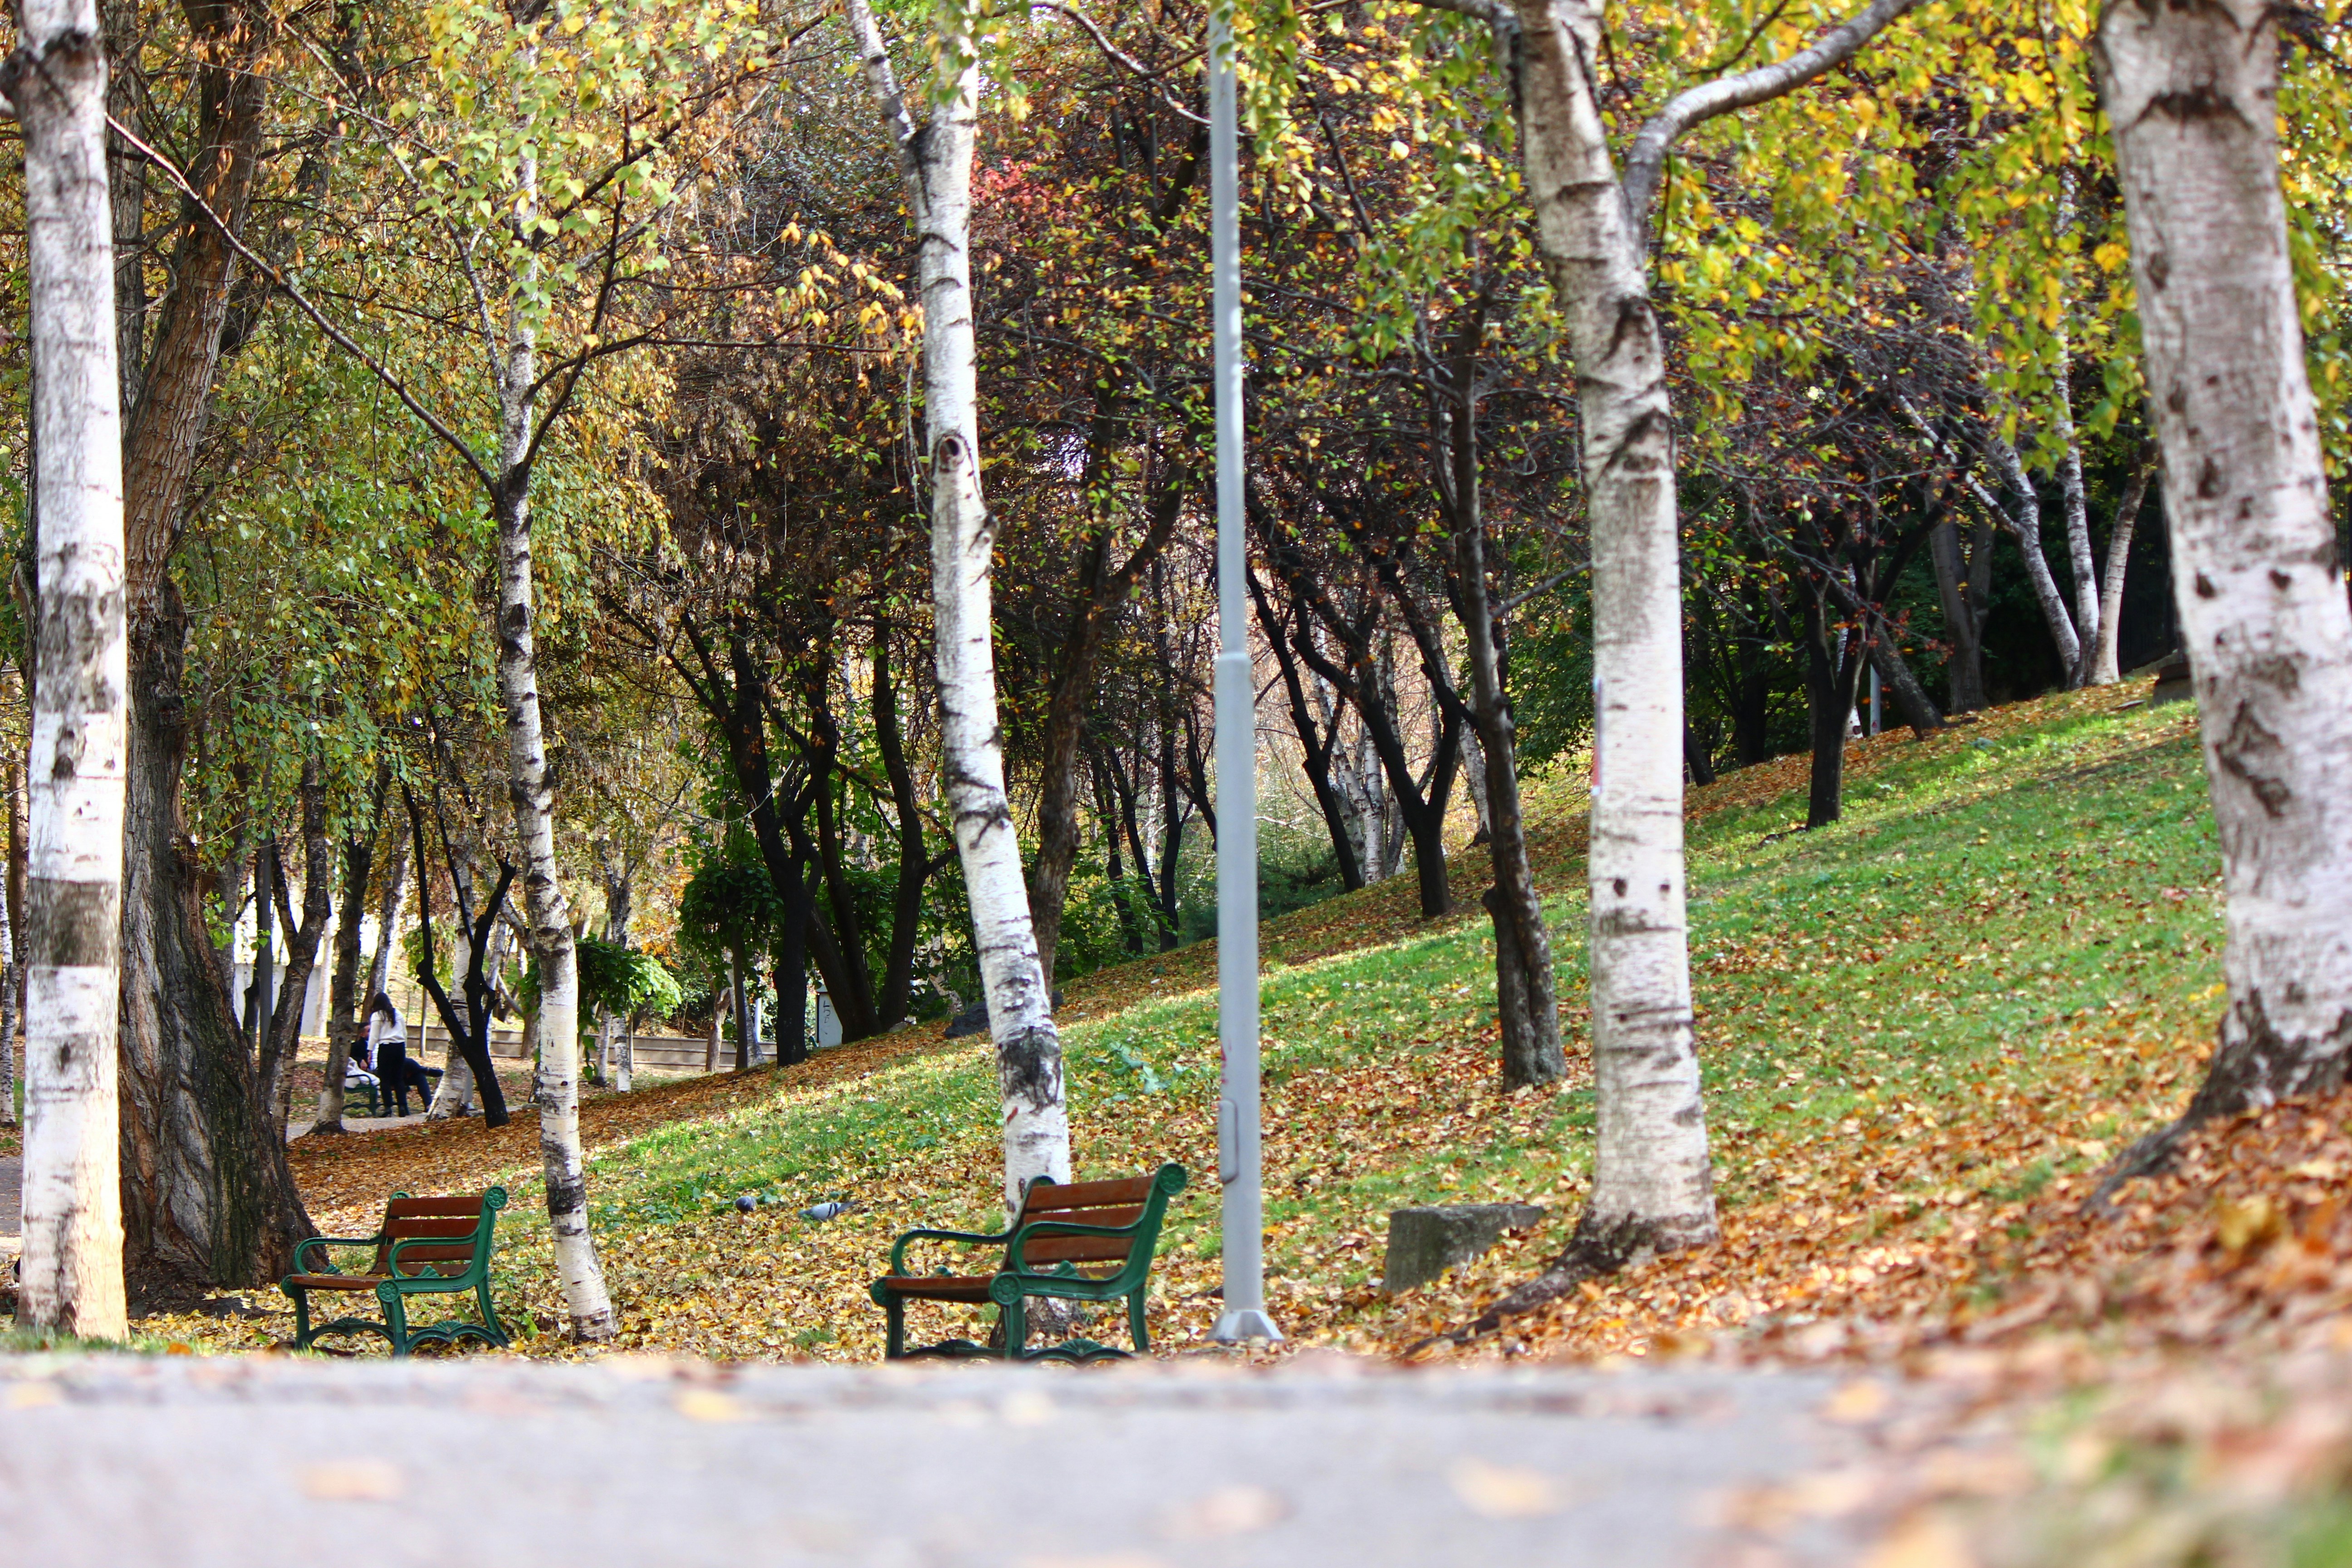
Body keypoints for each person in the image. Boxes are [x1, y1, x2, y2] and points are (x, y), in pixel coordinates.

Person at [369, 994, 433, 1117]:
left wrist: (370, 1050)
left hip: (386, 1047)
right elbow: (404, 1032)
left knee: (385, 1079)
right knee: (399, 1078)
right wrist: (403, 1047)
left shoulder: (378, 1016)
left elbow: (374, 1036)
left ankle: (388, 1107)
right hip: (399, 1047)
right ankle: (403, 1107)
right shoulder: (397, 1013)